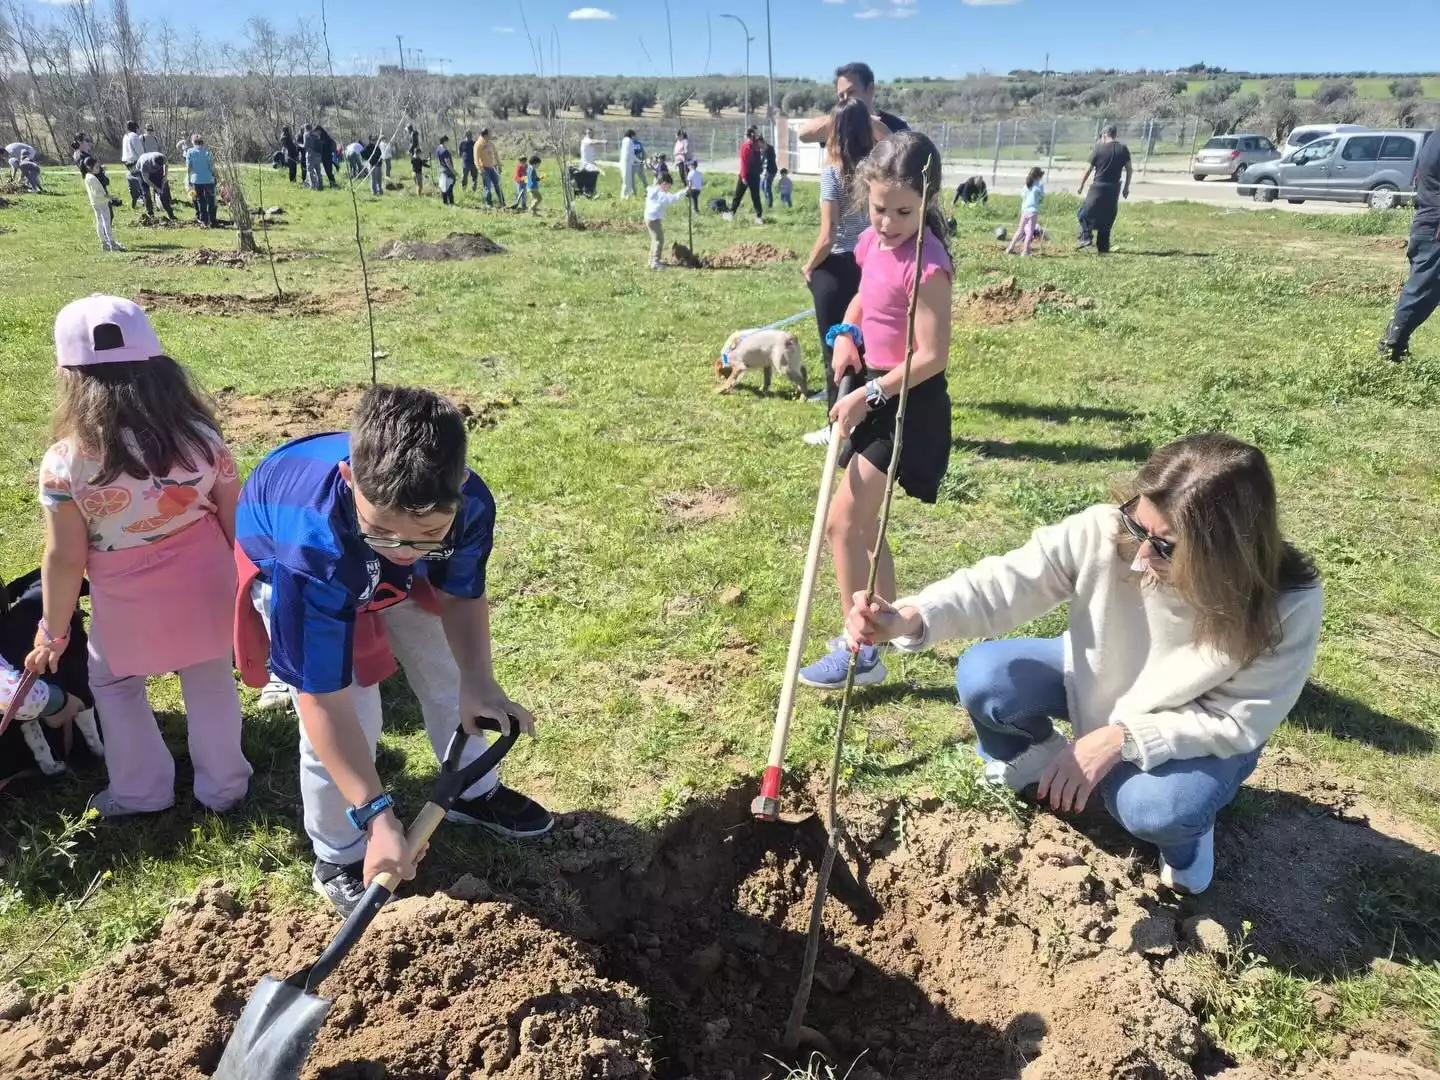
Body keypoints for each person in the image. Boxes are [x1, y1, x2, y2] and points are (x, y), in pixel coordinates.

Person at [845, 435, 1323, 896]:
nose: (1140, 556)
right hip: (1101, 682)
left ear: (1226, 550)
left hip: (1197, 730)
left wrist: (1122, 739)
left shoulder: (1286, 605)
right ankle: (1039, 756)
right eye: (1139, 527)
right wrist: (910, 618)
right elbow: (1004, 583)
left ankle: (1186, 841)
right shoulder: (1105, 531)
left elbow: (1238, 720)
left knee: (1154, 809)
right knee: (986, 675)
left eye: (1165, 547)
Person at [234, 384, 554, 916]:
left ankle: (472, 790)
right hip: (298, 557)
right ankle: (338, 851)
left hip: (358, 550)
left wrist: (479, 678)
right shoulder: (311, 549)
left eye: (428, 532)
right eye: (384, 530)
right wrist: (377, 813)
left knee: (446, 668)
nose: (405, 552)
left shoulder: (469, 506)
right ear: (349, 479)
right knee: (356, 712)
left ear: (462, 490)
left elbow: (459, 593)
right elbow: (323, 702)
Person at [29, 295, 252, 819]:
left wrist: (53, 630)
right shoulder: (202, 438)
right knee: (212, 680)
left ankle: (141, 791)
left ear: (69, 376)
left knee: (114, 683)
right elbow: (234, 518)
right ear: (159, 368)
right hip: (206, 580)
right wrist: (248, 585)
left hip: (125, 597)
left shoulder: (65, 463)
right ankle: (225, 789)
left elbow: (64, 558)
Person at [797, 131, 953, 690]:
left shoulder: (928, 263)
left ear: (926, 201)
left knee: (842, 522)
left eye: (903, 212)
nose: (888, 222)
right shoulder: (871, 242)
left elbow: (932, 356)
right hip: (872, 389)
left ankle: (860, 647)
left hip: (908, 403)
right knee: (864, 528)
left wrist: (870, 394)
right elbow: (864, 298)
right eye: (880, 209)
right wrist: (845, 334)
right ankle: (884, 624)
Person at [801, 99, 877, 443]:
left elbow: (828, 234)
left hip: (838, 265)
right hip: (870, 264)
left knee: (835, 349)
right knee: (866, 347)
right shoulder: (877, 170)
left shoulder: (833, 171)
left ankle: (837, 427)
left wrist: (809, 265)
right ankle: (864, 418)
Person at [1379, 130, 1440, 362]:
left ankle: (1396, 342)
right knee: (1424, 287)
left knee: (1426, 287)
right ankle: (1393, 343)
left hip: (1430, 221)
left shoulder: (1433, 137)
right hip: (1436, 226)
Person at [797, 62, 908, 147]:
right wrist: (840, 120)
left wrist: (871, 125)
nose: (845, 99)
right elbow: (803, 134)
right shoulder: (839, 126)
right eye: (841, 96)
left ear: (870, 89)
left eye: (851, 92)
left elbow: (904, 157)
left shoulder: (897, 127)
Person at [1077, 125, 1132, 255]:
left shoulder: (1098, 148)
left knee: (1084, 213)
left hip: (1098, 187)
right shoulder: (1123, 149)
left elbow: (1088, 169)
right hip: (1114, 188)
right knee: (1107, 217)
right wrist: (1126, 188)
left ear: (1105, 135)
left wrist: (1081, 185)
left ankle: (1085, 237)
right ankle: (1103, 247)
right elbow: (1129, 169)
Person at [81, 156, 123, 252]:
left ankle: (104, 243)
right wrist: (111, 197)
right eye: (96, 167)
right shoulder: (92, 178)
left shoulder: (87, 176)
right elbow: (98, 194)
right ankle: (112, 244)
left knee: (99, 222)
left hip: (95, 203)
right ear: (89, 167)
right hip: (102, 203)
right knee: (106, 223)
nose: (99, 169)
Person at [644, 174, 684, 270]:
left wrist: (684, 191)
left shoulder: (656, 191)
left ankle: (651, 260)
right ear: (664, 184)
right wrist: (684, 192)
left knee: (654, 240)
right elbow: (671, 199)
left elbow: (669, 196)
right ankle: (655, 262)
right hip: (653, 220)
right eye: (669, 186)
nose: (669, 189)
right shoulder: (659, 194)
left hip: (651, 219)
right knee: (659, 240)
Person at [726, 128, 764, 225]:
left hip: (750, 175)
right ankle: (757, 217)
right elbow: (747, 162)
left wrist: (745, 176)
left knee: (746, 196)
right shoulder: (751, 146)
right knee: (747, 196)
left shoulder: (750, 146)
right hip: (750, 175)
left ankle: (757, 216)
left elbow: (748, 162)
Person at [1006, 167, 1045, 257]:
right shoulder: (1039, 185)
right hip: (1033, 211)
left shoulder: (1027, 185)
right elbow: (1042, 197)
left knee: (1019, 231)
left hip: (1025, 211)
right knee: (1030, 232)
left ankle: (1010, 248)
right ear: (1038, 176)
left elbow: (1022, 196)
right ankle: (1025, 251)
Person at [186, 134, 217, 228]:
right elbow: (212, 167)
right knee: (211, 199)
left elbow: (188, 167)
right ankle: (212, 220)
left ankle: (203, 220)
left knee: (200, 200)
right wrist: (214, 175)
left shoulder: (190, 152)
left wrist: (188, 177)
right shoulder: (208, 152)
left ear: (193, 142)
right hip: (208, 179)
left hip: (196, 179)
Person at [135, 150, 175, 219]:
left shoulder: (163, 157)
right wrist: (156, 188)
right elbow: (146, 180)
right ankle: (150, 214)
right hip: (142, 173)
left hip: (154, 173)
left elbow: (166, 168)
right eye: (156, 167)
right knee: (146, 193)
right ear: (153, 163)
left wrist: (164, 179)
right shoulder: (145, 163)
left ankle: (171, 215)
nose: (157, 168)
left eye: (159, 167)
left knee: (164, 192)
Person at [477, 128, 503, 207]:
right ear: (485, 135)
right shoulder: (479, 145)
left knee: (497, 185)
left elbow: (496, 154)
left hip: (493, 168)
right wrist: (480, 169)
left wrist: (499, 165)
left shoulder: (491, 144)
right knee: (487, 186)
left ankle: (502, 202)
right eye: (489, 134)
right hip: (485, 169)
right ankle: (489, 203)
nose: (491, 135)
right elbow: (477, 158)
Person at [436, 136, 457, 206]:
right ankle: (451, 203)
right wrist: (454, 171)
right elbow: (448, 162)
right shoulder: (445, 151)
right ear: (444, 141)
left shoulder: (438, 149)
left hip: (441, 170)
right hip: (447, 171)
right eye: (447, 142)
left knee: (443, 187)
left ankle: (445, 202)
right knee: (449, 187)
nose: (448, 143)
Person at [303, 124, 324, 190]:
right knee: (318, 171)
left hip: (310, 155)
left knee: (310, 171)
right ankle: (320, 185)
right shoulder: (316, 135)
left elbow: (305, 145)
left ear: (305, 128)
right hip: (318, 155)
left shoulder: (306, 134)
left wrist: (300, 145)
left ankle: (313, 186)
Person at [760, 137, 779, 209]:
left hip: (771, 170)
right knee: (761, 186)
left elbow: (771, 162)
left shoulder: (770, 149)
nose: (760, 147)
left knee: (767, 187)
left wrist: (766, 173)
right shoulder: (762, 149)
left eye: (760, 145)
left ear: (763, 142)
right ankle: (767, 199)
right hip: (765, 171)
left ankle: (769, 205)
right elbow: (761, 161)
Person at [619, 129, 638, 199]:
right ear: (632, 135)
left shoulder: (626, 141)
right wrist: (636, 160)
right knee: (627, 181)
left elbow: (630, 154)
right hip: (626, 163)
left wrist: (637, 160)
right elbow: (629, 153)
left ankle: (626, 196)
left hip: (626, 163)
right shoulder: (628, 141)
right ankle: (624, 196)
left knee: (627, 181)